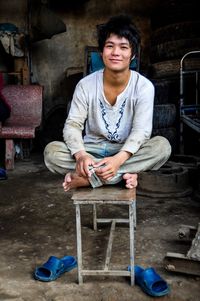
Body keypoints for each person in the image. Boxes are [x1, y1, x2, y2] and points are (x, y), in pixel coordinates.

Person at [44, 15, 171, 192]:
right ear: (102, 51)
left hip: (126, 151)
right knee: (52, 153)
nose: (116, 52)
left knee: (162, 147)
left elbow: (141, 131)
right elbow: (73, 125)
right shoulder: (85, 85)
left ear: (132, 54)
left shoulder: (143, 87)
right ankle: (119, 176)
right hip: (91, 150)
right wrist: (81, 156)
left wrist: (118, 160)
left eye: (123, 47)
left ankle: (89, 179)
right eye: (110, 46)